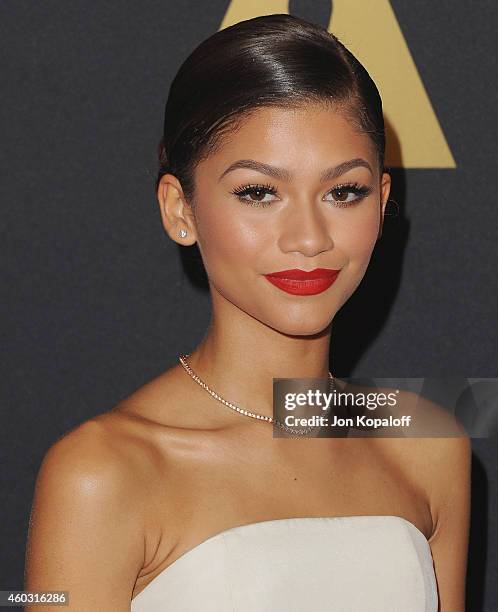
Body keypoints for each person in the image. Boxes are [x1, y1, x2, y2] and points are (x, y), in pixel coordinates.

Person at [24, 14, 471, 611]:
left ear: (383, 203)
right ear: (180, 209)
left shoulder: (425, 445)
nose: (309, 238)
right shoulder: (102, 472)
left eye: (344, 192)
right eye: (259, 192)